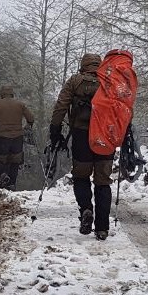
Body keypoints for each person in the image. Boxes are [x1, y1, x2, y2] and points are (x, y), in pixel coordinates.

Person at [49, 53, 113, 240]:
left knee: (81, 176)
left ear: (83, 66)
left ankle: (86, 209)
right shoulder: (109, 81)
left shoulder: (75, 81)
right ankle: (102, 228)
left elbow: (61, 106)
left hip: (81, 136)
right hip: (105, 137)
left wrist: (55, 130)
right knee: (103, 181)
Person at [0, 86, 34, 190]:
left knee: (0, 160)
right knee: (15, 161)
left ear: (2, 94)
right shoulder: (20, 104)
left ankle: (2, 176)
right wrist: (27, 126)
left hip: (2, 138)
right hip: (17, 138)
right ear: (12, 93)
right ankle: (12, 184)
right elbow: (31, 118)